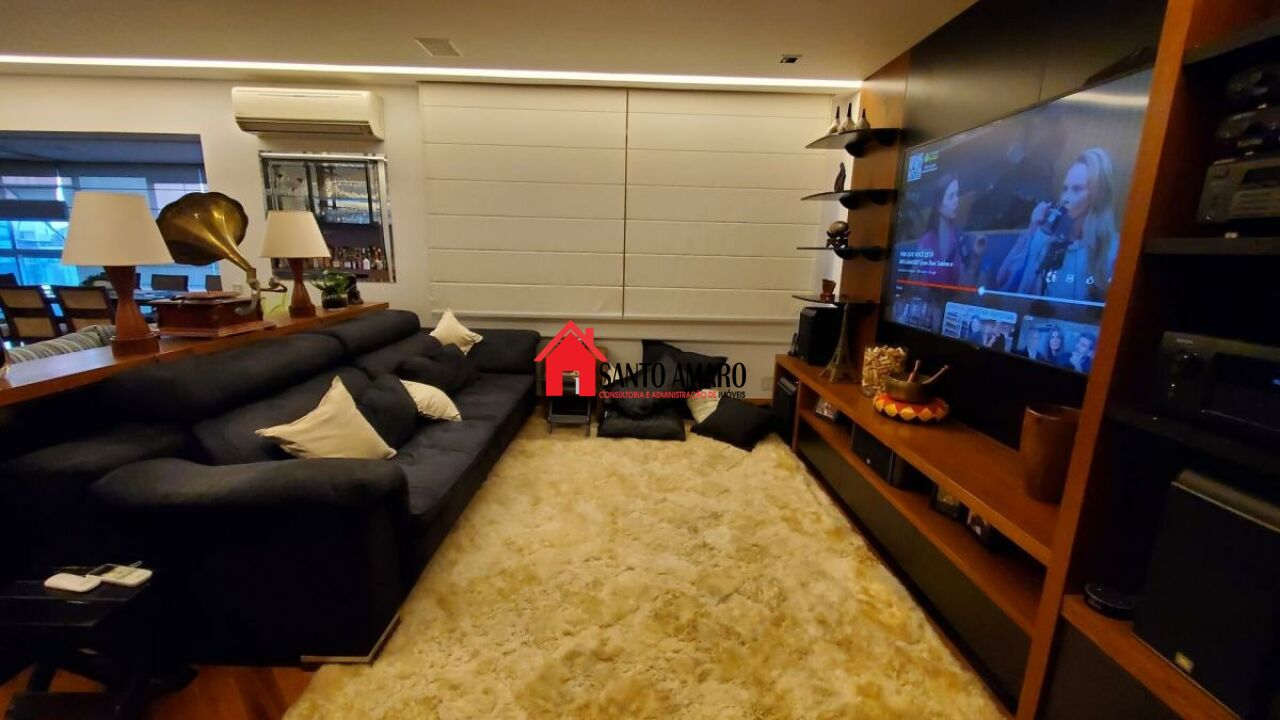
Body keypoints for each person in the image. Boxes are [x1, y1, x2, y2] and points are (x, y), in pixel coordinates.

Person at [995, 148, 1121, 301]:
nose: (1066, 198)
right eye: (1065, 189)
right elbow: (1002, 282)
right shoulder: (1045, 238)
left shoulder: (1114, 250)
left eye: (1077, 189)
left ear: (1098, 194)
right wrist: (1032, 229)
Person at [914, 173, 964, 285]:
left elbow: (963, 282)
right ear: (939, 205)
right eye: (951, 196)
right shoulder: (926, 241)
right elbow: (913, 283)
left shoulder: (959, 237)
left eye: (957, 194)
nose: (956, 200)